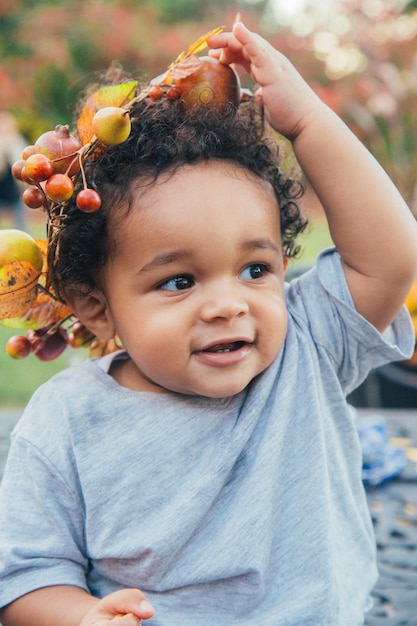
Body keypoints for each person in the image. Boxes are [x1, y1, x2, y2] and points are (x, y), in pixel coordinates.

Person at [0, 21, 417, 626]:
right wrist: (84, 617)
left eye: (255, 268)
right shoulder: (68, 421)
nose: (229, 304)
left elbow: (392, 255)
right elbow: (26, 578)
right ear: (95, 304)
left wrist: (306, 123)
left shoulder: (305, 347)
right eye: (178, 281)